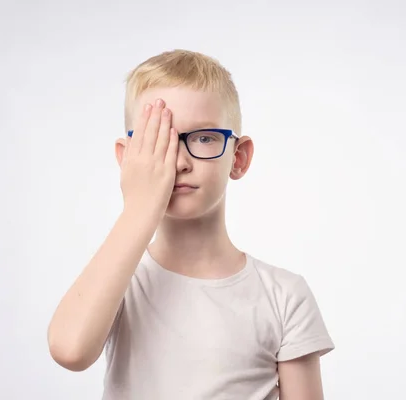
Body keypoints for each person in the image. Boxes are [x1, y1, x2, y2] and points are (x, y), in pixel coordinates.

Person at [47, 49, 335, 400]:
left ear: (238, 157)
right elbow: (70, 351)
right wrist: (139, 208)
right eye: (158, 140)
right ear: (128, 159)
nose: (179, 162)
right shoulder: (119, 281)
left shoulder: (284, 295)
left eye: (203, 138)